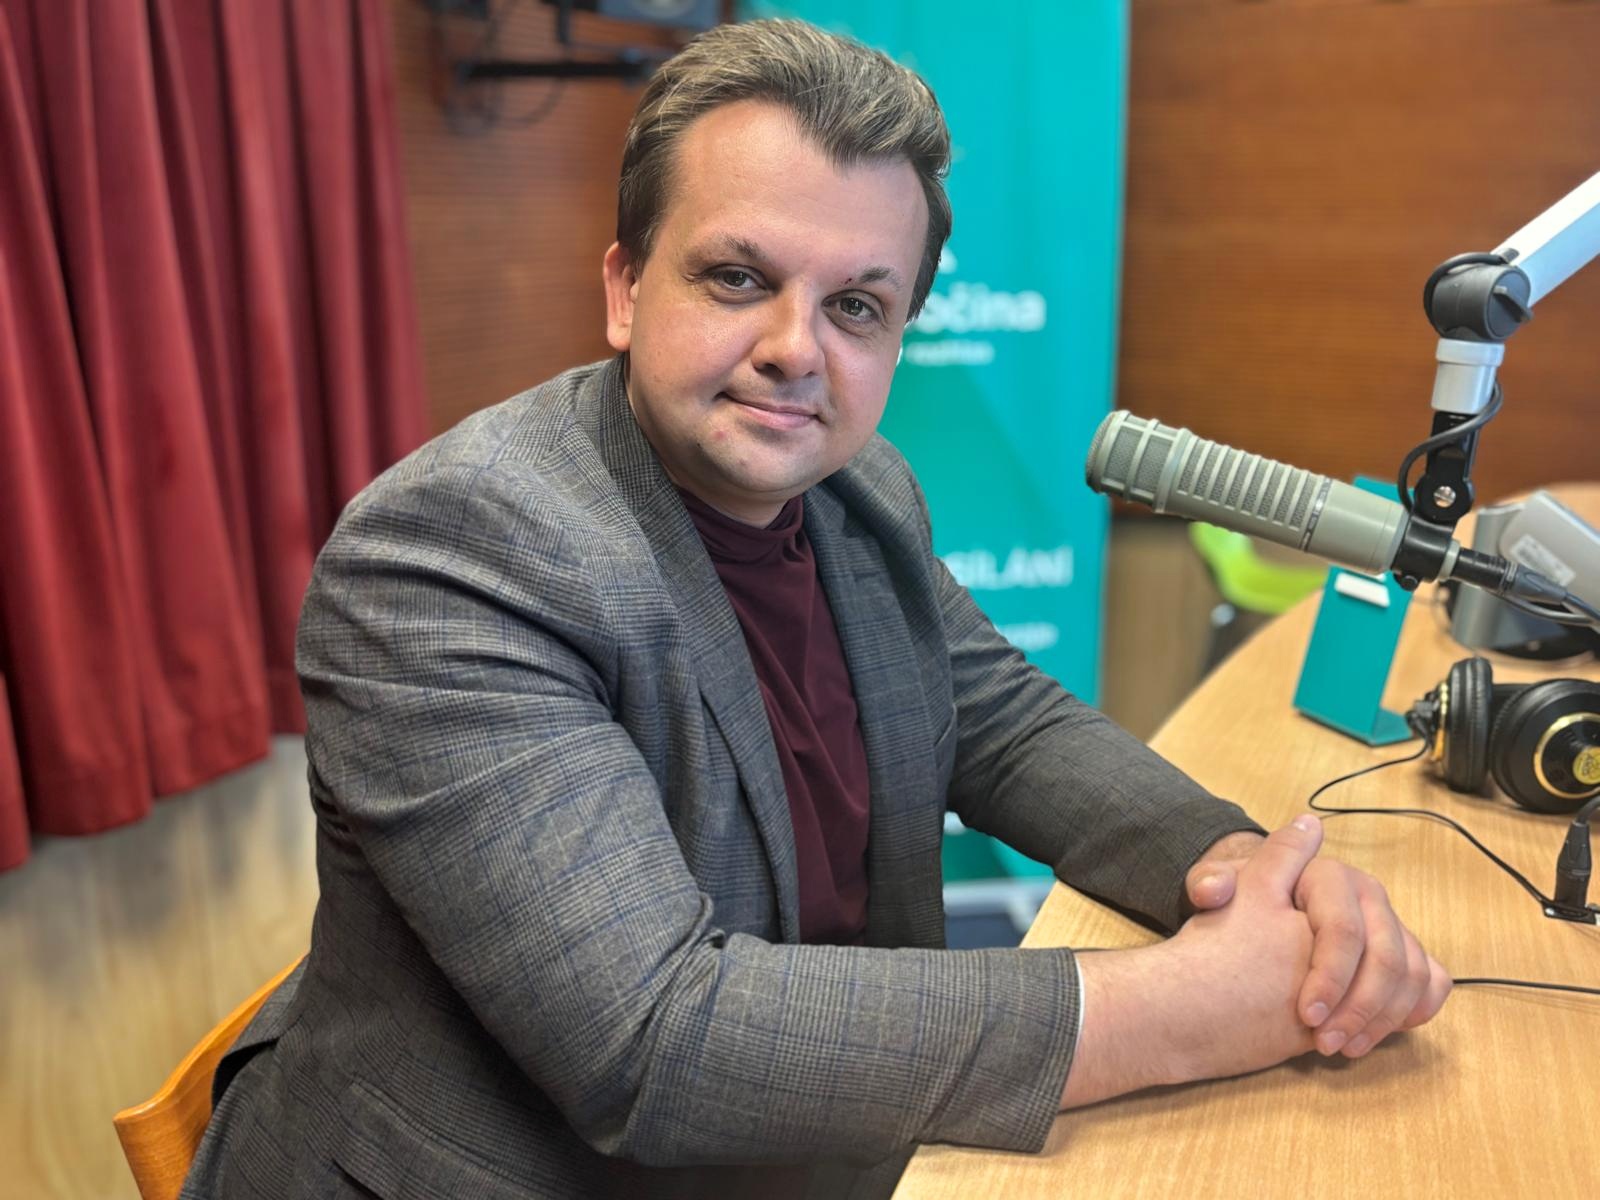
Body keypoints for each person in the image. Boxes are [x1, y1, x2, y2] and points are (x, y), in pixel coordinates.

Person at [182, 19, 1450, 1200]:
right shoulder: (453, 556)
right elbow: (654, 1043)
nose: (798, 347)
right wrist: (1176, 1011)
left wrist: (1241, 872)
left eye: (855, 306)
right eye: (738, 277)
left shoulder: (859, 488)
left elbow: (1003, 724)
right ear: (625, 289)